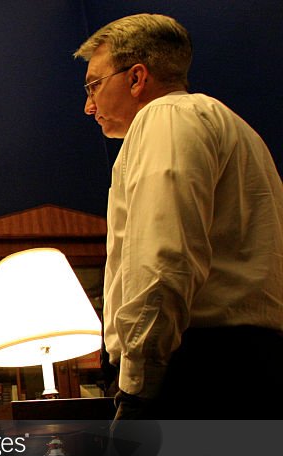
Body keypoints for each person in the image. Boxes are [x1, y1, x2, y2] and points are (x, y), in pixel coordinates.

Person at [74, 13, 283, 421]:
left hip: (200, 373)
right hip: (250, 367)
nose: (88, 106)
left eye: (94, 85)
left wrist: (137, 390)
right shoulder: (238, 130)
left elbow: (164, 261)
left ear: (136, 78)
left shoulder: (165, 117)